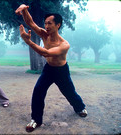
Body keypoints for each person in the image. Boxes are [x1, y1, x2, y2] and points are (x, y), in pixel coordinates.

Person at [15, 4, 87, 132]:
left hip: (61, 71)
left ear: (58, 25)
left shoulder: (64, 45)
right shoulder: (44, 34)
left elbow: (46, 53)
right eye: (45, 23)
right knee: (38, 91)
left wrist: (28, 42)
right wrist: (25, 10)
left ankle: (80, 107)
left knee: (69, 92)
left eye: (50, 23)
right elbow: (30, 23)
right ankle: (36, 120)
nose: (46, 26)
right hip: (49, 69)